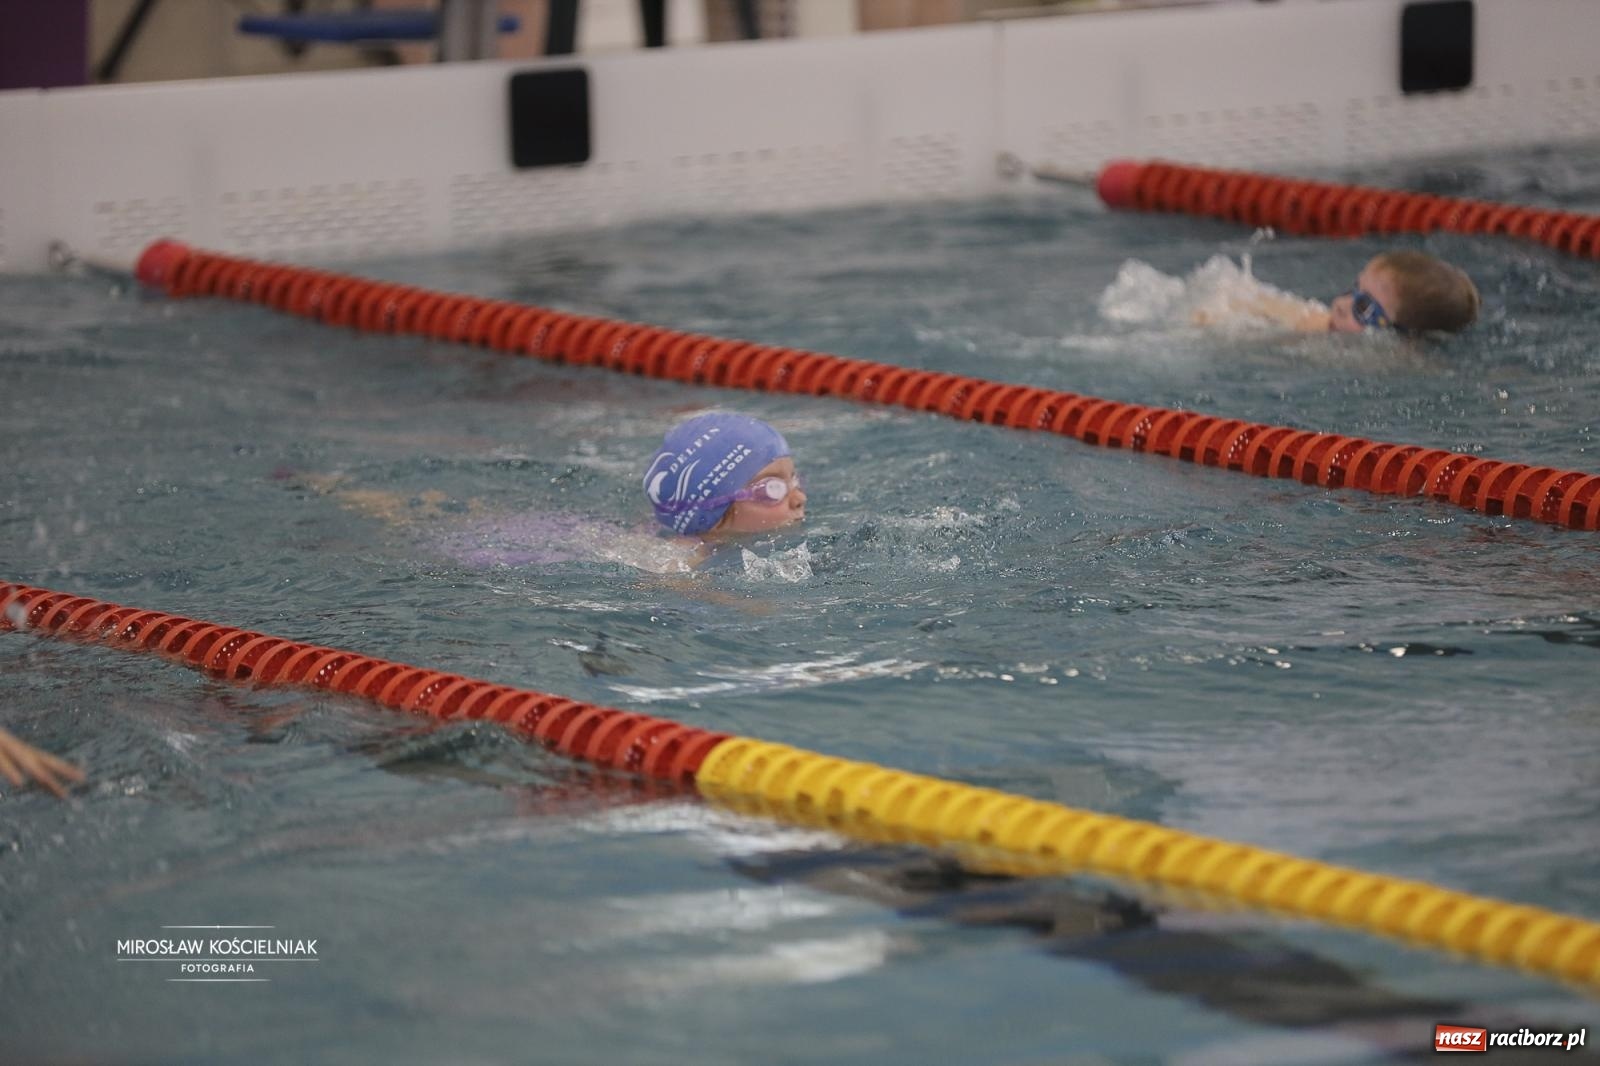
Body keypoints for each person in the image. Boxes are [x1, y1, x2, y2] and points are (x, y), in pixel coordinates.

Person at [1191, 250, 1479, 334]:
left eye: (1363, 307)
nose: (1341, 303)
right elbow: (1255, 303)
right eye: (1354, 289)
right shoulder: (1319, 324)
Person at [643, 412, 806, 538]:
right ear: (715, 518)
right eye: (773, 488)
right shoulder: (682, 569)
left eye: (793, 479)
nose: (800, 498)